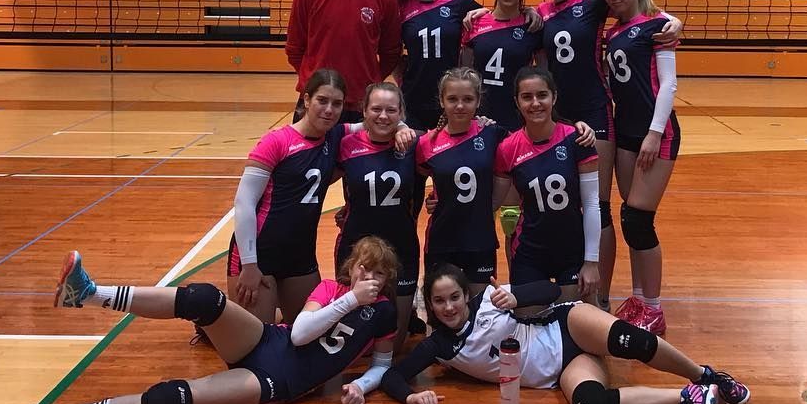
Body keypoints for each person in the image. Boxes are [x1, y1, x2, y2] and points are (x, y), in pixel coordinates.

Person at [7, 237, 400, 404]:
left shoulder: (383, 313)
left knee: (172, 399)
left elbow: (382, 365)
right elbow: (299, 334)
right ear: (352, 268)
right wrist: (350, 300)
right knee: (203, 299)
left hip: (275, 382)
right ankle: (90, 294)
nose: (370, 278)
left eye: (379, 274)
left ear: (387, 280)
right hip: (267, 341)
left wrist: (361, 386)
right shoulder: (332, 289)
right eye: (364, 268)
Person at [381, 263, 750, 404]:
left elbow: (551, 290)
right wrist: (411, 398)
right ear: (430, 306)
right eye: (439, 301)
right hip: (562, 371)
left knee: (631, 341)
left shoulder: (490, 300)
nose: (449, 307)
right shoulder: (438, 347)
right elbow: (392, 376)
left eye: (454, 297)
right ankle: (688, 397)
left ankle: (706, 375)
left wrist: (516, 296)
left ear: (466, 295)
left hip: (567, 326)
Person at [530, 0, 682, 312]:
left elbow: (641, 8)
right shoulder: (541, 13)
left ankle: (601, 296)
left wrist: (674, 21)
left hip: (597, 115)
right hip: (560, 119)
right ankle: (577, 285)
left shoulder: (595, 2)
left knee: (600, 207)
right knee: (572, 208)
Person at [417, 67, 598, 297]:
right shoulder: (427, 143)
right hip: (442, 239)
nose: (460, 105)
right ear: (442, 101)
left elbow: (496, 197)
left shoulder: (493, 134)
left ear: (478, 101)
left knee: (482, 311)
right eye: (452, 99)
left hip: (481, 240)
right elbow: (420, 177)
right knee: (441, 305)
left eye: (468, 99)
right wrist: (436, 198)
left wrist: (581, 125)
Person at [228, 68, 349, 326]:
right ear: (306, 100)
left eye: (337, 104)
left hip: (300, 255)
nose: (329, 110)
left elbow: (377, 122)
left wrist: (401, 128)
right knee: (259, 340)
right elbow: (244, 202)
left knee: (309, 333)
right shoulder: (276, 141)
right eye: (322, 100)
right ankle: (215, 322)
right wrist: (249, 265)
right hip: (259, 254)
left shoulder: (335, 137)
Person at [600, 0, 681, 335]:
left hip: (654, 133)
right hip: (625, 132)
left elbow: (668, 84)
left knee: (638, 220)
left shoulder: (657, 25)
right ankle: (637, 299)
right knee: (629, 218)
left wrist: (654, 132)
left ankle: (654, 308)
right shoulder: (613, 31)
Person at [491, 67, 600, 302]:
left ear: (554, 97)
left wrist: (592, 262)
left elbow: (592, 203)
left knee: (572, 316)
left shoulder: (578, 139)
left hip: (572, 250)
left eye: (542, 95)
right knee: (529, 320)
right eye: (527, 97)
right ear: (517, 102)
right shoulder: (507, 148)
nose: (535, 103)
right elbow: (492, 202)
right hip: (529, 251)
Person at [335, 82, 420, 352]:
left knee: (395, 343)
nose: (383, 116)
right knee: (354, 340)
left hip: (401, 246)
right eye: (376, 109)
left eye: (391, 110)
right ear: (364, 111)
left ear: (401, 112)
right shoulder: (345, 144)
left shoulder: (414, 144)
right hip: (355, 246)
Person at [391, 0, 481, 132]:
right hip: (414, 97)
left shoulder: (460, 2)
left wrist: (524, 11)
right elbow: (391, 51)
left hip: (453, 98)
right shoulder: (400, 9)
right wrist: (401, 79)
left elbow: (494, 22)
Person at [460, 0, 543, 132]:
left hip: (518, 118)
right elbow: (465, 76)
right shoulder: (474, 23)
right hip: (480, 117)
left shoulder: (533, 26)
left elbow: (544, 74)